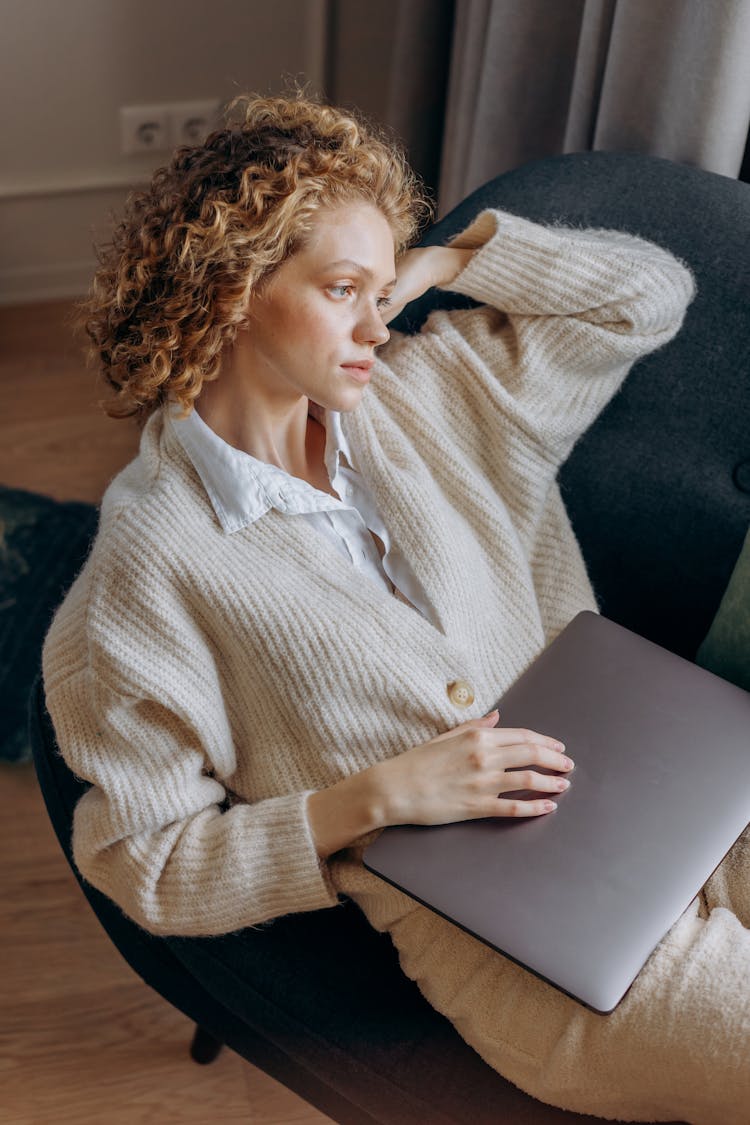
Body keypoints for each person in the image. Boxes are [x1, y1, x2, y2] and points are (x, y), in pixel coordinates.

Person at [42, 92, 749, 1124]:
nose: (379, 323)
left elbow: (646, 296)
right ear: (231, 290)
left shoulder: (437, 391)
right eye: (341, 289)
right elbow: (140, 859)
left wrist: (443, 264)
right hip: (535, 963)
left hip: (681, 800)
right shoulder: (146, 577)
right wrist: (367, 805)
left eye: (384, 290)